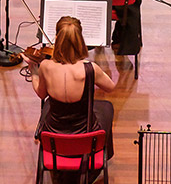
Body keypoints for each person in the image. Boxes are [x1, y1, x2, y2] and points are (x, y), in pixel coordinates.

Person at [28, 15, 117, 163]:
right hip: (86, 134)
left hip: (53, 136)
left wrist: (33, 71)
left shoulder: (45, 66)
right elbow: (110, 87)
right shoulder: (90, 69)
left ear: (57, 38)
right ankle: (101, 158)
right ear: (80, 41)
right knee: (107, 108)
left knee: (49, 106)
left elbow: (41, 94)